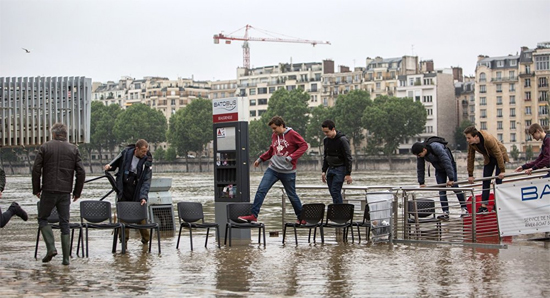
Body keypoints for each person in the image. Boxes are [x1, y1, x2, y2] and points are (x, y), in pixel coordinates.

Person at [32, 123, 86, 265]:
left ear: (54, 134)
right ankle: (66, 260)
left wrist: (36, 189)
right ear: (65, 135)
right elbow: (81, 172)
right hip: (65, 192)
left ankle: (51, 248)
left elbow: (36, 170)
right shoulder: (74, 149)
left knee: (43, 218)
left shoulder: (45, 147)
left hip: (48, 190)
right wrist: (77, 192)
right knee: (65, 223)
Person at [238, 116, 308, 223]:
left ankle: (301, 218)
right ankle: (253, 215)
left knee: (292, 195)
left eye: (275, 128)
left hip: (288, 171)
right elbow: (272, 150)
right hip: (273, 170)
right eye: (272, 129)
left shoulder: (292, 134)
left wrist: (291, 157)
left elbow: (304, 146)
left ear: (281, 125)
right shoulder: (274, 136)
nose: (273, 131)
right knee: (261, 190)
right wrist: (260, 159)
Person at [104, 139, 152, 246]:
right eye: (143, 152)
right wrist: (109, 167)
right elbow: (114, 164)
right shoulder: (125, 153)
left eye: (146, 152)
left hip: (137, 190)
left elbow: (146, 181)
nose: (145, 154)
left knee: (141, 217)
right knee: (123, 218)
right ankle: (123, 244)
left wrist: (143, 196)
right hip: (124, 188)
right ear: (137, 149)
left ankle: (146, 242)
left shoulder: (147, 161)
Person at [411, 140, 467, 219]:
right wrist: (421, 182)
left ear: (424, 149)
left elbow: (446, 161)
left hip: (450, 165)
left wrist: (451, 178)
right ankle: (445, 212)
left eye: (420, 155)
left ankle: (464, 208)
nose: (419, 157)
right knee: (441, 190)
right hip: (439, 169)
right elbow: (420, 168)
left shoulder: (436, 147)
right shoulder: (420, 154)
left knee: (455, 187)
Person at [464, 126, 509, 213]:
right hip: (489, 158)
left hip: (500, 155)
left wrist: (502, 170)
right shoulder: (471, 144)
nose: (467, 140)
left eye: (469, 138)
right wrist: (470, 175)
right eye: (466, 138)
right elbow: (470, 158)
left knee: (498, 181)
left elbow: (498, 153)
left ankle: (498, 204)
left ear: (476, 136)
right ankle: (484, 205)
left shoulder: (488, 139)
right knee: (486, 180)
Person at [321, 120, 353, 204]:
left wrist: (348, 173)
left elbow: (348, 157)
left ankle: (339, 212)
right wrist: (324, 170)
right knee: (333, 192)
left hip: (340, 168)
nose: (326, 134)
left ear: (333, 129)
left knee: (335, 191)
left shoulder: (342, 140)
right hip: (330, 168)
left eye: (327, 132)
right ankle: (338, 210)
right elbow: (326, 156)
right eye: (324, 132)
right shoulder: (326, 140)